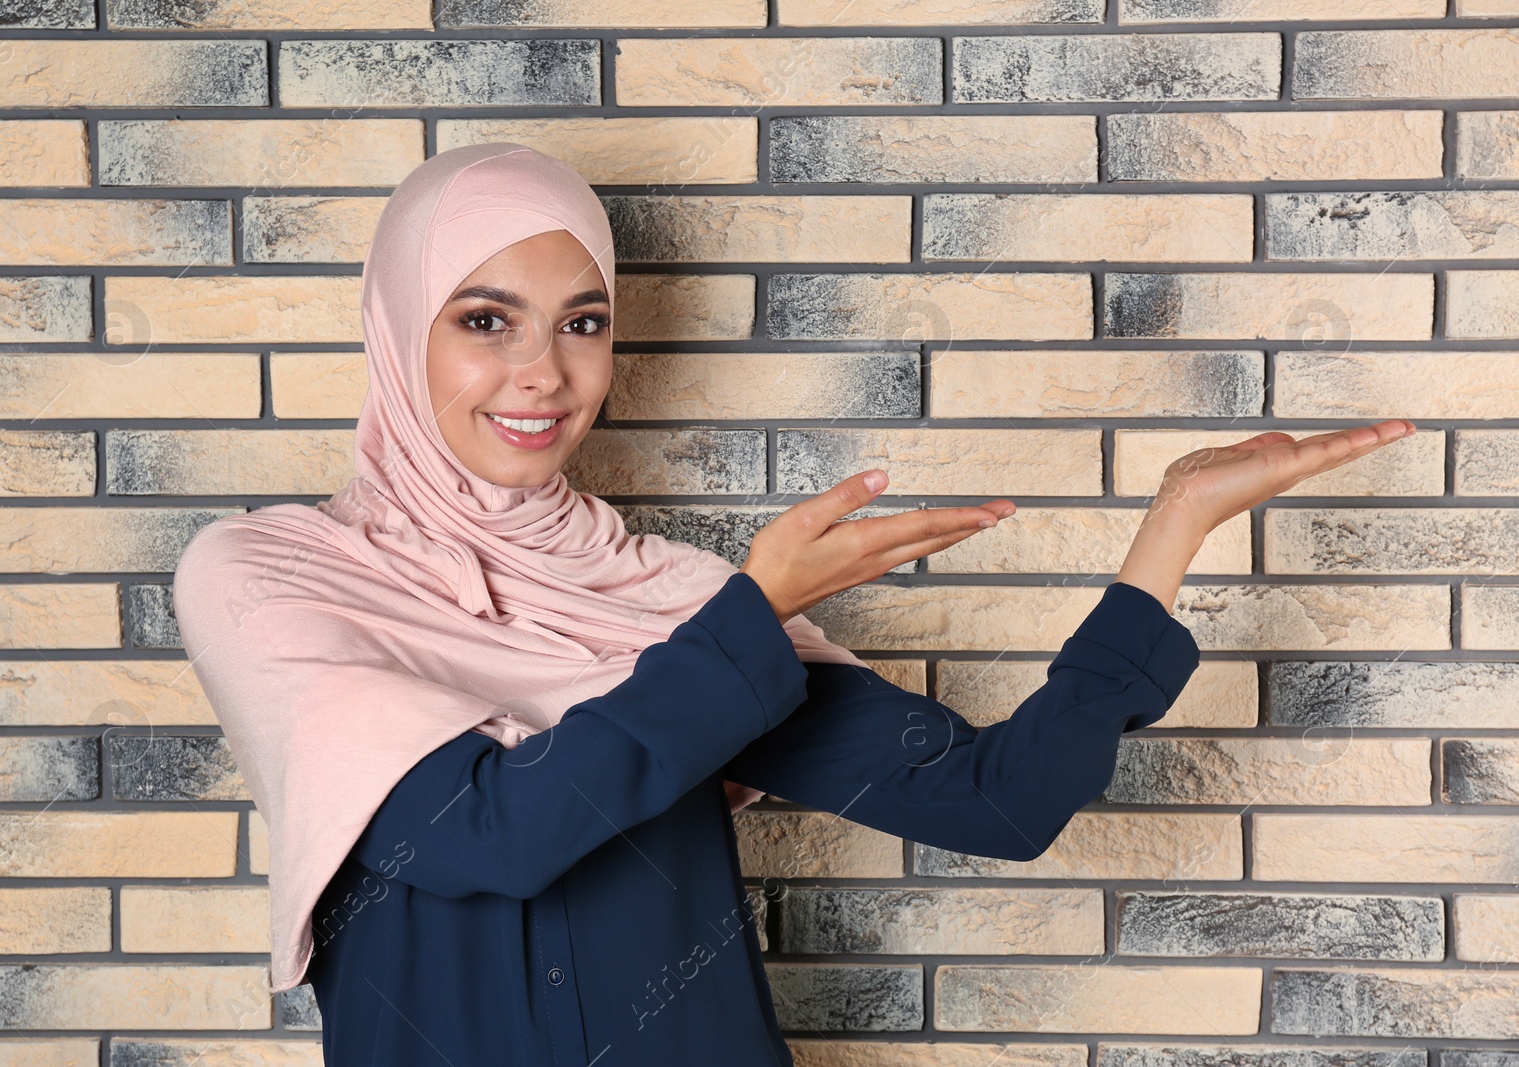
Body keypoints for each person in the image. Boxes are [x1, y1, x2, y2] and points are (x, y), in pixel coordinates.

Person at [170, 141, 1418, 1066]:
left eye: (583, 322)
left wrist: (1171, 532)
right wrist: (747, 618)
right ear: (397, 331)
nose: (542, 372)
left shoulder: (673, 606)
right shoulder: (269, 576)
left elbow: (1001, 802)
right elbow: (489, 834)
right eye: (483, 319)